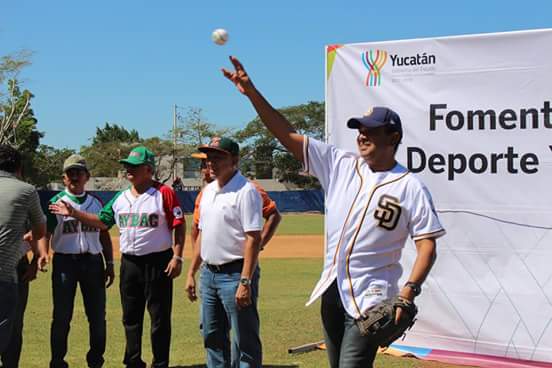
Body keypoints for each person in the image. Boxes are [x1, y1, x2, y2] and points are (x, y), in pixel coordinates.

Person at [222, 56, 446, 368]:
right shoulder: (339, 165)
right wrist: (252, 93)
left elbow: (427, 245)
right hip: (332, 289)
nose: (362, 135)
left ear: (393, 138)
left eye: (371, 130)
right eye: (359, 129)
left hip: (371, 296)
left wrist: (409, 291)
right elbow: (286, 134)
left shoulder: (409, 186)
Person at [50, 146, 185, 368]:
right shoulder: (120, 198)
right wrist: (74, 213)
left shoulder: (164, 193)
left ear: (148, 169)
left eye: (133, 166)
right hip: (130, 264)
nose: (127, 170)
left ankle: (160, 363)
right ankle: (133, 361)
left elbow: (179, 226)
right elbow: (102, 222)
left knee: (159, 318)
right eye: (126, 166)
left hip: (158, 262)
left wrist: (177, 257)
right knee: (130, 317)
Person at [185, 138, 263, 367]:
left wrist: (245, 281)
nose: (212, 162)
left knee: (245, 341)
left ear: (235, 160)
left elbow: (253, 238)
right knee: (212, 338)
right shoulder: (208, 191)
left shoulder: (246, 191)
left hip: (235, 274)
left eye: (218, 157)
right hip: (209, 274)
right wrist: (192, 272)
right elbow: (202, 234)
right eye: (209, 158)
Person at [40, 154, 115, 368]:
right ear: (64, 179)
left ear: (87, 176)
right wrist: (44, 253)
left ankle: (95, 360)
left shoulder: (96, 203)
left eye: (78, 172)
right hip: (65, 263)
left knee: (97, 316)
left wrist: (109, 263)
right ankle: (57, 361)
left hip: (92, 262)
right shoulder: (56, 203)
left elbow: (103, 233)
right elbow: (46, 232)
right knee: (62, 315)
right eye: (69, 173)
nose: (74, 176)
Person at [0, 145, 47, 357]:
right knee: (10, 331)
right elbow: (40, 231)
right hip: (7, 275)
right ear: (19, 167)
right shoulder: (26, 191)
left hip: (14, 267)